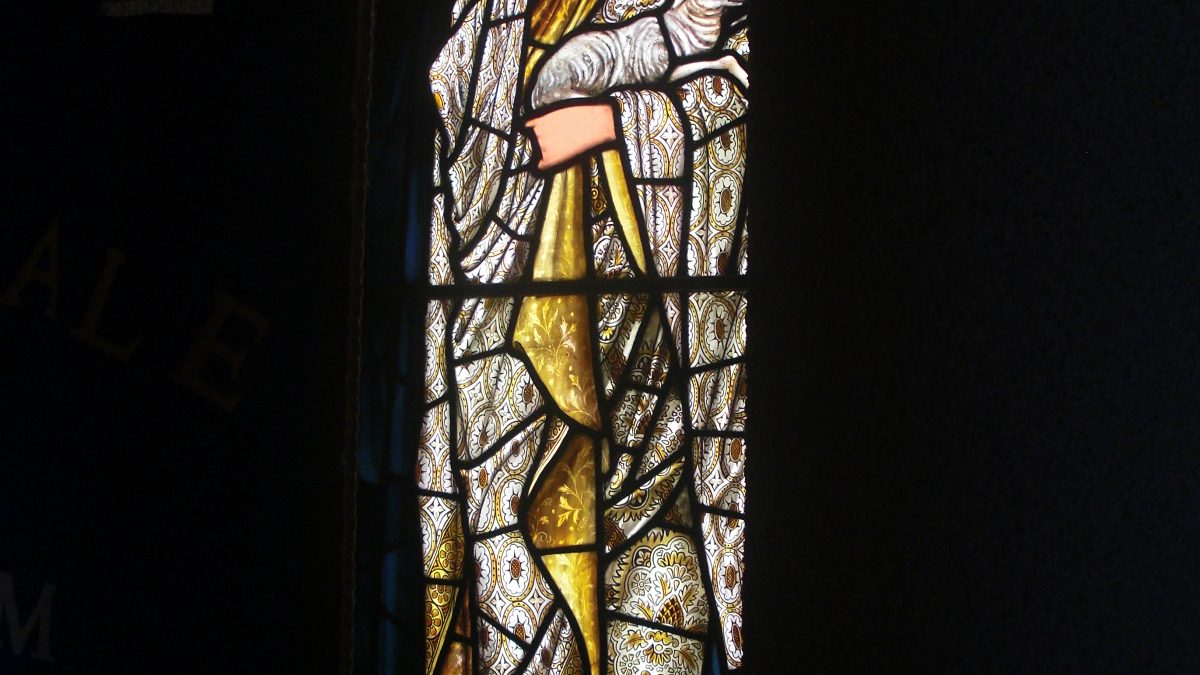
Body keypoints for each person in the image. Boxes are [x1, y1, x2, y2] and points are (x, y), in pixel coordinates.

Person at [419, 0, 749, 672]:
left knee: (657, 596)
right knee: (512, 546)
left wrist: (611, 123)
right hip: (509, 336)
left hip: (666, 374)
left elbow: (743, 87)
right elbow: (464, 107)